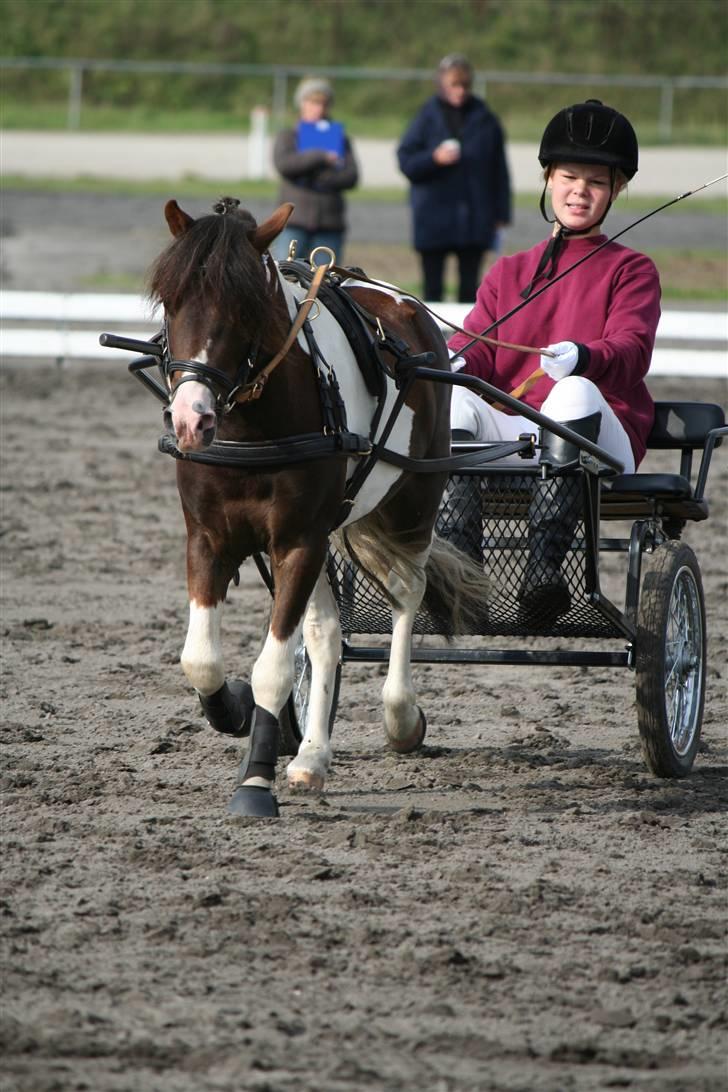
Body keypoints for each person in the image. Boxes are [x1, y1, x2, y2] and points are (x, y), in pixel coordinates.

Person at [442, 99, 661, 624]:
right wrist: (455, 362)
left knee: (574, 391)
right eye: (568, 177)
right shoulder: (508, 272)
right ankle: (461, 574)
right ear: (548, 178)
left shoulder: (632, 270)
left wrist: (586, 357)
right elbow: (480, 347)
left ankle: (543, 572)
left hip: (596, 444)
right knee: (452, 394)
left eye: (596, 182)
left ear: (615, 191)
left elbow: (632, 350)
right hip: (519, 437)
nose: (579, 192)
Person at [397, 53, 511, 302]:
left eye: (464, 86)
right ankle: (432, 340)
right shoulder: (426, 117)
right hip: (434, 216)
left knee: (470, 289)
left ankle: (466, 341)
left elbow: (500, 170)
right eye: (454, 85)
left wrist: (502, 215)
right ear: (441, 85)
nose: (460, 91)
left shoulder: (486, 119)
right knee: (432, 289)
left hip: (475, 217)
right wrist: (433, 159)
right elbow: (406, 161)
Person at [272, 77, 359, 264]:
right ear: (301, 104)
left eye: (323, 103)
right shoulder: (288, 136)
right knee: (285, 277)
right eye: (313, 102)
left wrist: (320, 179)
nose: (318, 109)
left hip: (329, 224)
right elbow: (284, 165)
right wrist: (321, 156)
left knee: (325, 284)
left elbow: (352, 176)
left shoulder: (341, 139)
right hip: (294, 222)